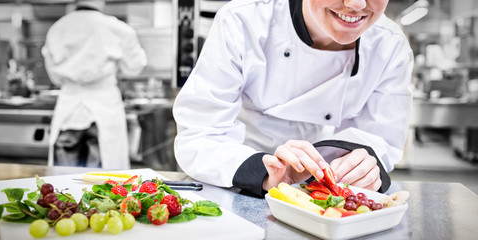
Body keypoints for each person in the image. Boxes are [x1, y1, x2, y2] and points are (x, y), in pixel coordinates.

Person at [172, 0, 414, 197]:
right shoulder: (243, 20)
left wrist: (364, 168)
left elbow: (382, 139)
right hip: (237, 181)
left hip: (329, 192)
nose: (356, 4)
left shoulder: (389, 44)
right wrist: (262, 171)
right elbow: (200, 133)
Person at [41, 0, 147, 169]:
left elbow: (54, 76)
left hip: (69, 106)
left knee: (64, 179)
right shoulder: (117, 28)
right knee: (105, 180)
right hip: (104, 105)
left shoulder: (57, 28)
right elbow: (134, 68)